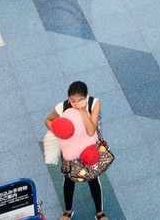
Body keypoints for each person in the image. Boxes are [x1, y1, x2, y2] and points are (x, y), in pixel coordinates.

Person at [44, 81, 106, 220]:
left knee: (93, 178)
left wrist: (83, 110)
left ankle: (100, 213)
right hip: (70, 149)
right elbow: (48, 120)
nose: (76, 104)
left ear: (86, 97)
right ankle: (67, 211)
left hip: (88, 148)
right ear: (68, 98)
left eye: (80, 100)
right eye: (73, 101)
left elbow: (91, 130)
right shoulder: (62, 107)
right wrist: (58, 130)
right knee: (68, 179)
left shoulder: (94, 103)